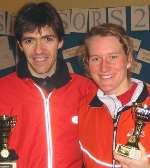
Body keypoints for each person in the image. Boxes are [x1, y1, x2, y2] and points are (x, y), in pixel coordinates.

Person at [0, 2, 97, 168]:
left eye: (48, 39)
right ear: (20, 45)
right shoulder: (2, 89)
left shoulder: (87, 89)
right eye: (30, 40)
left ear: (60, 42)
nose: (39, 50)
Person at [78, 23, 150, 168]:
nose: (104, 67)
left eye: (113, 57)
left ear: (128, 59)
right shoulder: (82, 109)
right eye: (96, 59)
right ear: (88, 64)